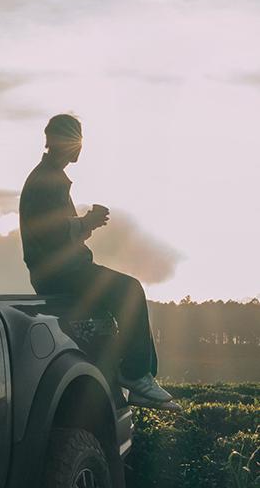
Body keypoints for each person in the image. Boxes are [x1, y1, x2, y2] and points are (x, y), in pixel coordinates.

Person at [19, 114, 178, 410]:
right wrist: (86, 222)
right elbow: (50, 233)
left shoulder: (49, 178)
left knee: (113, 310)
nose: (78, 146)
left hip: (62, 269)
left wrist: (86, 225)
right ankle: (134, 375)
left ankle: (123, 374)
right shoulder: (46, 180)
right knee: (129, 290)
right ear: (58, 142)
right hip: (62, 273)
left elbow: (56, 231)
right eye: (74, 138)